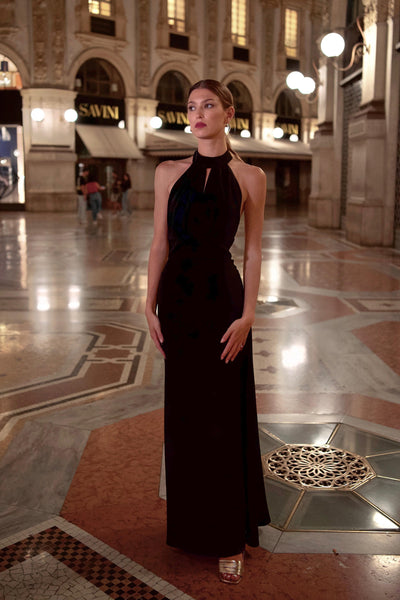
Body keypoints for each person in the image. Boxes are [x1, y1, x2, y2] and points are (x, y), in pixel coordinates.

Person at [146, 79, 270, 585]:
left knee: (222, 418)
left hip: (223, 302)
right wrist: (147, 304)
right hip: (178, 304)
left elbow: (255, 250)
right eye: (191, 106)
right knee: (187, 416)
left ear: (228, 112)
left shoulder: (251, 176)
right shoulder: (167, 172)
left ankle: (226, 537)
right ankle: (192, 526)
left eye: (208, 105)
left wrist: (249, 314)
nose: (197, 113)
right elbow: (158, 243)